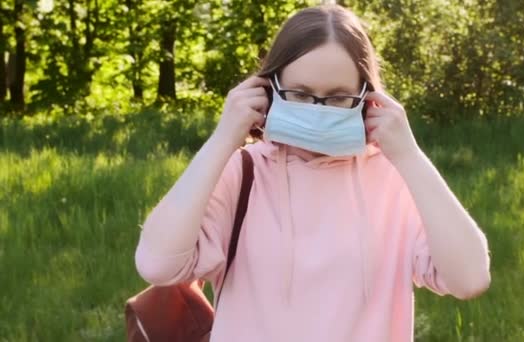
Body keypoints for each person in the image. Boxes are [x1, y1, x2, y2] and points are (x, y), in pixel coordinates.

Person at [135, 4, 491, 341]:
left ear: (367, 98)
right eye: (301, 94)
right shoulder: (244, 173)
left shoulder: (394, 179)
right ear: (270, 89)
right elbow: (157, 264)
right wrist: (223, 139)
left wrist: (410, 157)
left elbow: (470, 278)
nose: (318, 110)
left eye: (338, 97)